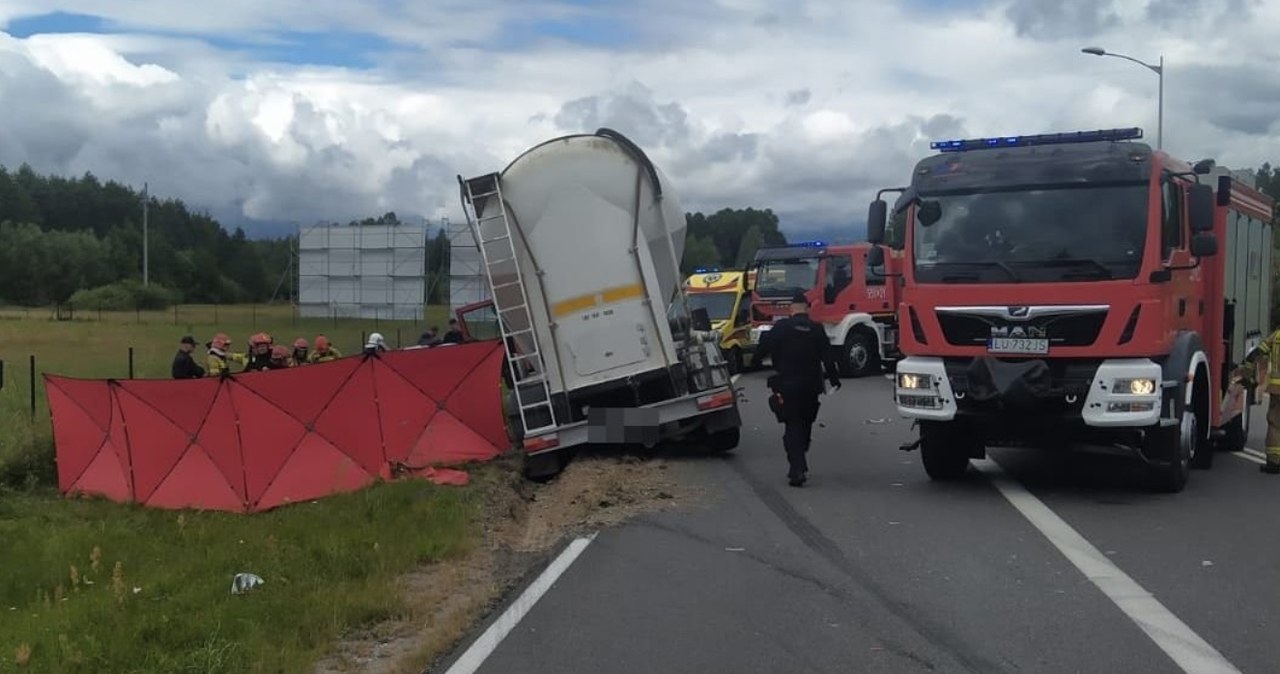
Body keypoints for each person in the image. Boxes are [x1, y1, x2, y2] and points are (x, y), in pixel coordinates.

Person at [754, 291, 841, 487]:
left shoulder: (781, 327)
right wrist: (835, 380)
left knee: (792, 424)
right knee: (806, 421)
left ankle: (797, 468)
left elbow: (762, 348)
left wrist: (755, 361)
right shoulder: (816, 329)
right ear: (808, 307)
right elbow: (827, 357)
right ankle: (801, 453)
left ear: (790, 308)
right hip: (812, 385)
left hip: (787, 384)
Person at [1235, 331, 1280, 474]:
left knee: (1275, 423)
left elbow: (1256, 354)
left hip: (1277, 388)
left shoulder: (1277, 336)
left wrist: (1247, 374)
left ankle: (1274, 462)